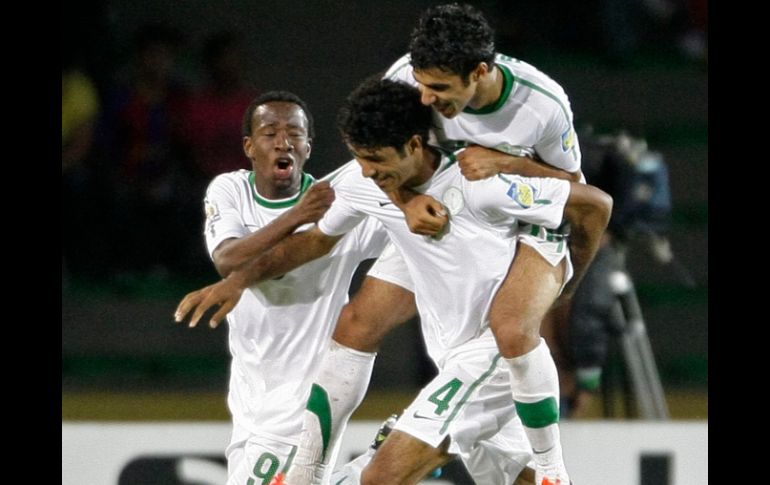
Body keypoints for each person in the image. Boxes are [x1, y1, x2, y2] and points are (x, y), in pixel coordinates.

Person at [175, 78, 612, 484]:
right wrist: (238, 281)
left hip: (488, 355)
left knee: (380, 477)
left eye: (377, 162)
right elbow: (313, 243)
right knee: (357, 325)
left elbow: (594, 205)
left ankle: (362, 463)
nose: (367, 173)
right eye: (360, 159)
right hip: (448, 353)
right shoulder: (361, 181)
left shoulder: (480, 182)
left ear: (414, 145)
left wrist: (563, 283)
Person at [286, 4, 591, 483]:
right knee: (359, 319)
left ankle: (550, 465)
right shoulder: (407, 80)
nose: (425, 98)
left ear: (481, 72)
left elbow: (574, 185)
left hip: (516, 215)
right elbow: (386, 153)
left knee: (510, 329)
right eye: (421, 83)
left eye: (441, 88)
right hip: (441, 207)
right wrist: (402, 199)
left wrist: (506, 163)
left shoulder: (542, 105)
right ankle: (306, 470)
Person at [180, 90, 388, 485]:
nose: (282, 141)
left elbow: (401, 229)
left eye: (294, 133)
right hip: (250, 403)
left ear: (308, 147)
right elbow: (229, 260)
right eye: (269, 132)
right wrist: (297, 216)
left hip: (302, 403)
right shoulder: (231, 191)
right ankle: (375, 467)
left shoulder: (339, 206)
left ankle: (381, 465)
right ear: (249, 146)